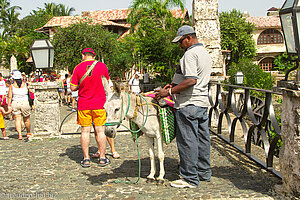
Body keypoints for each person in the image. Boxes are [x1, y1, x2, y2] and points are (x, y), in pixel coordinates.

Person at [155, 25, 212, 188]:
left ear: (188, 38)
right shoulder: (204, 53)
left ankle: (190, 178)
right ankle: (204, 172)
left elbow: (191, 80)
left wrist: (170, 91)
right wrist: (172, 85)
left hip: (188, 103)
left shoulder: (190, 54)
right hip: (201, 103)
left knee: (187, 141)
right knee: (202, 139)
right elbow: (190, 78)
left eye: (180, 42)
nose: (179, 45)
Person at [70, 48, 110, 168]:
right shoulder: (102, 66)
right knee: (100, 131)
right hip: (100, 104)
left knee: (85, 131)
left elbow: (72, 88)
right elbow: (107, 84)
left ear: (83, 55)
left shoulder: (78, 68)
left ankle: (86, 158)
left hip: (84, 105)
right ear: (94, 56)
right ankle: (102, 157)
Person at [92, 78, 120, 159]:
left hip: (105, 106)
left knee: (107, 128)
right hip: (94, 105)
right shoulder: (91, 79)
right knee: (96, 130)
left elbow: (111, 91)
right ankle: (99, 149)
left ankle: (113, 149)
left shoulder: (105, 79)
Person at [7, 70, 32, 140]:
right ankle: (28, 132)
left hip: (15, 102)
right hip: (24, 102)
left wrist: (9, 105)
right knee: (26, 119)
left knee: (17, 119)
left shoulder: (12, 86)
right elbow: (30, 92)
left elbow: (9, 96)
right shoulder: (25, 84)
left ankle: (20, 134)